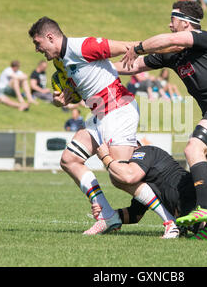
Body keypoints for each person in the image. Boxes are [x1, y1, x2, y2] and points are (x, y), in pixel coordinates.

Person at [28, 16, 176, 236]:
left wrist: (171, 51)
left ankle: (170, 222)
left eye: (38, 43)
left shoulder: (83, 46)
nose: (38, 49)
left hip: (118, 111)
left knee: (122, 177)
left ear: (50, 37)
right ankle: (108, 216)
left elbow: (128, 47)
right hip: (99, 115)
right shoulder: (60, 61)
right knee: (69, 160)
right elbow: (79, 87)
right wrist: (62, 99)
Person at [120, 0, 207, 227]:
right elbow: (133, 66)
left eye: (172, 20)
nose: (170, 26)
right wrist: (94, 69)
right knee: (206, 173)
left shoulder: (205, 38)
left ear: (185, 22)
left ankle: (203, 209)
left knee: (192, 148)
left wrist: (138, 46)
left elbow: (169, 40)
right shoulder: (172, 56)